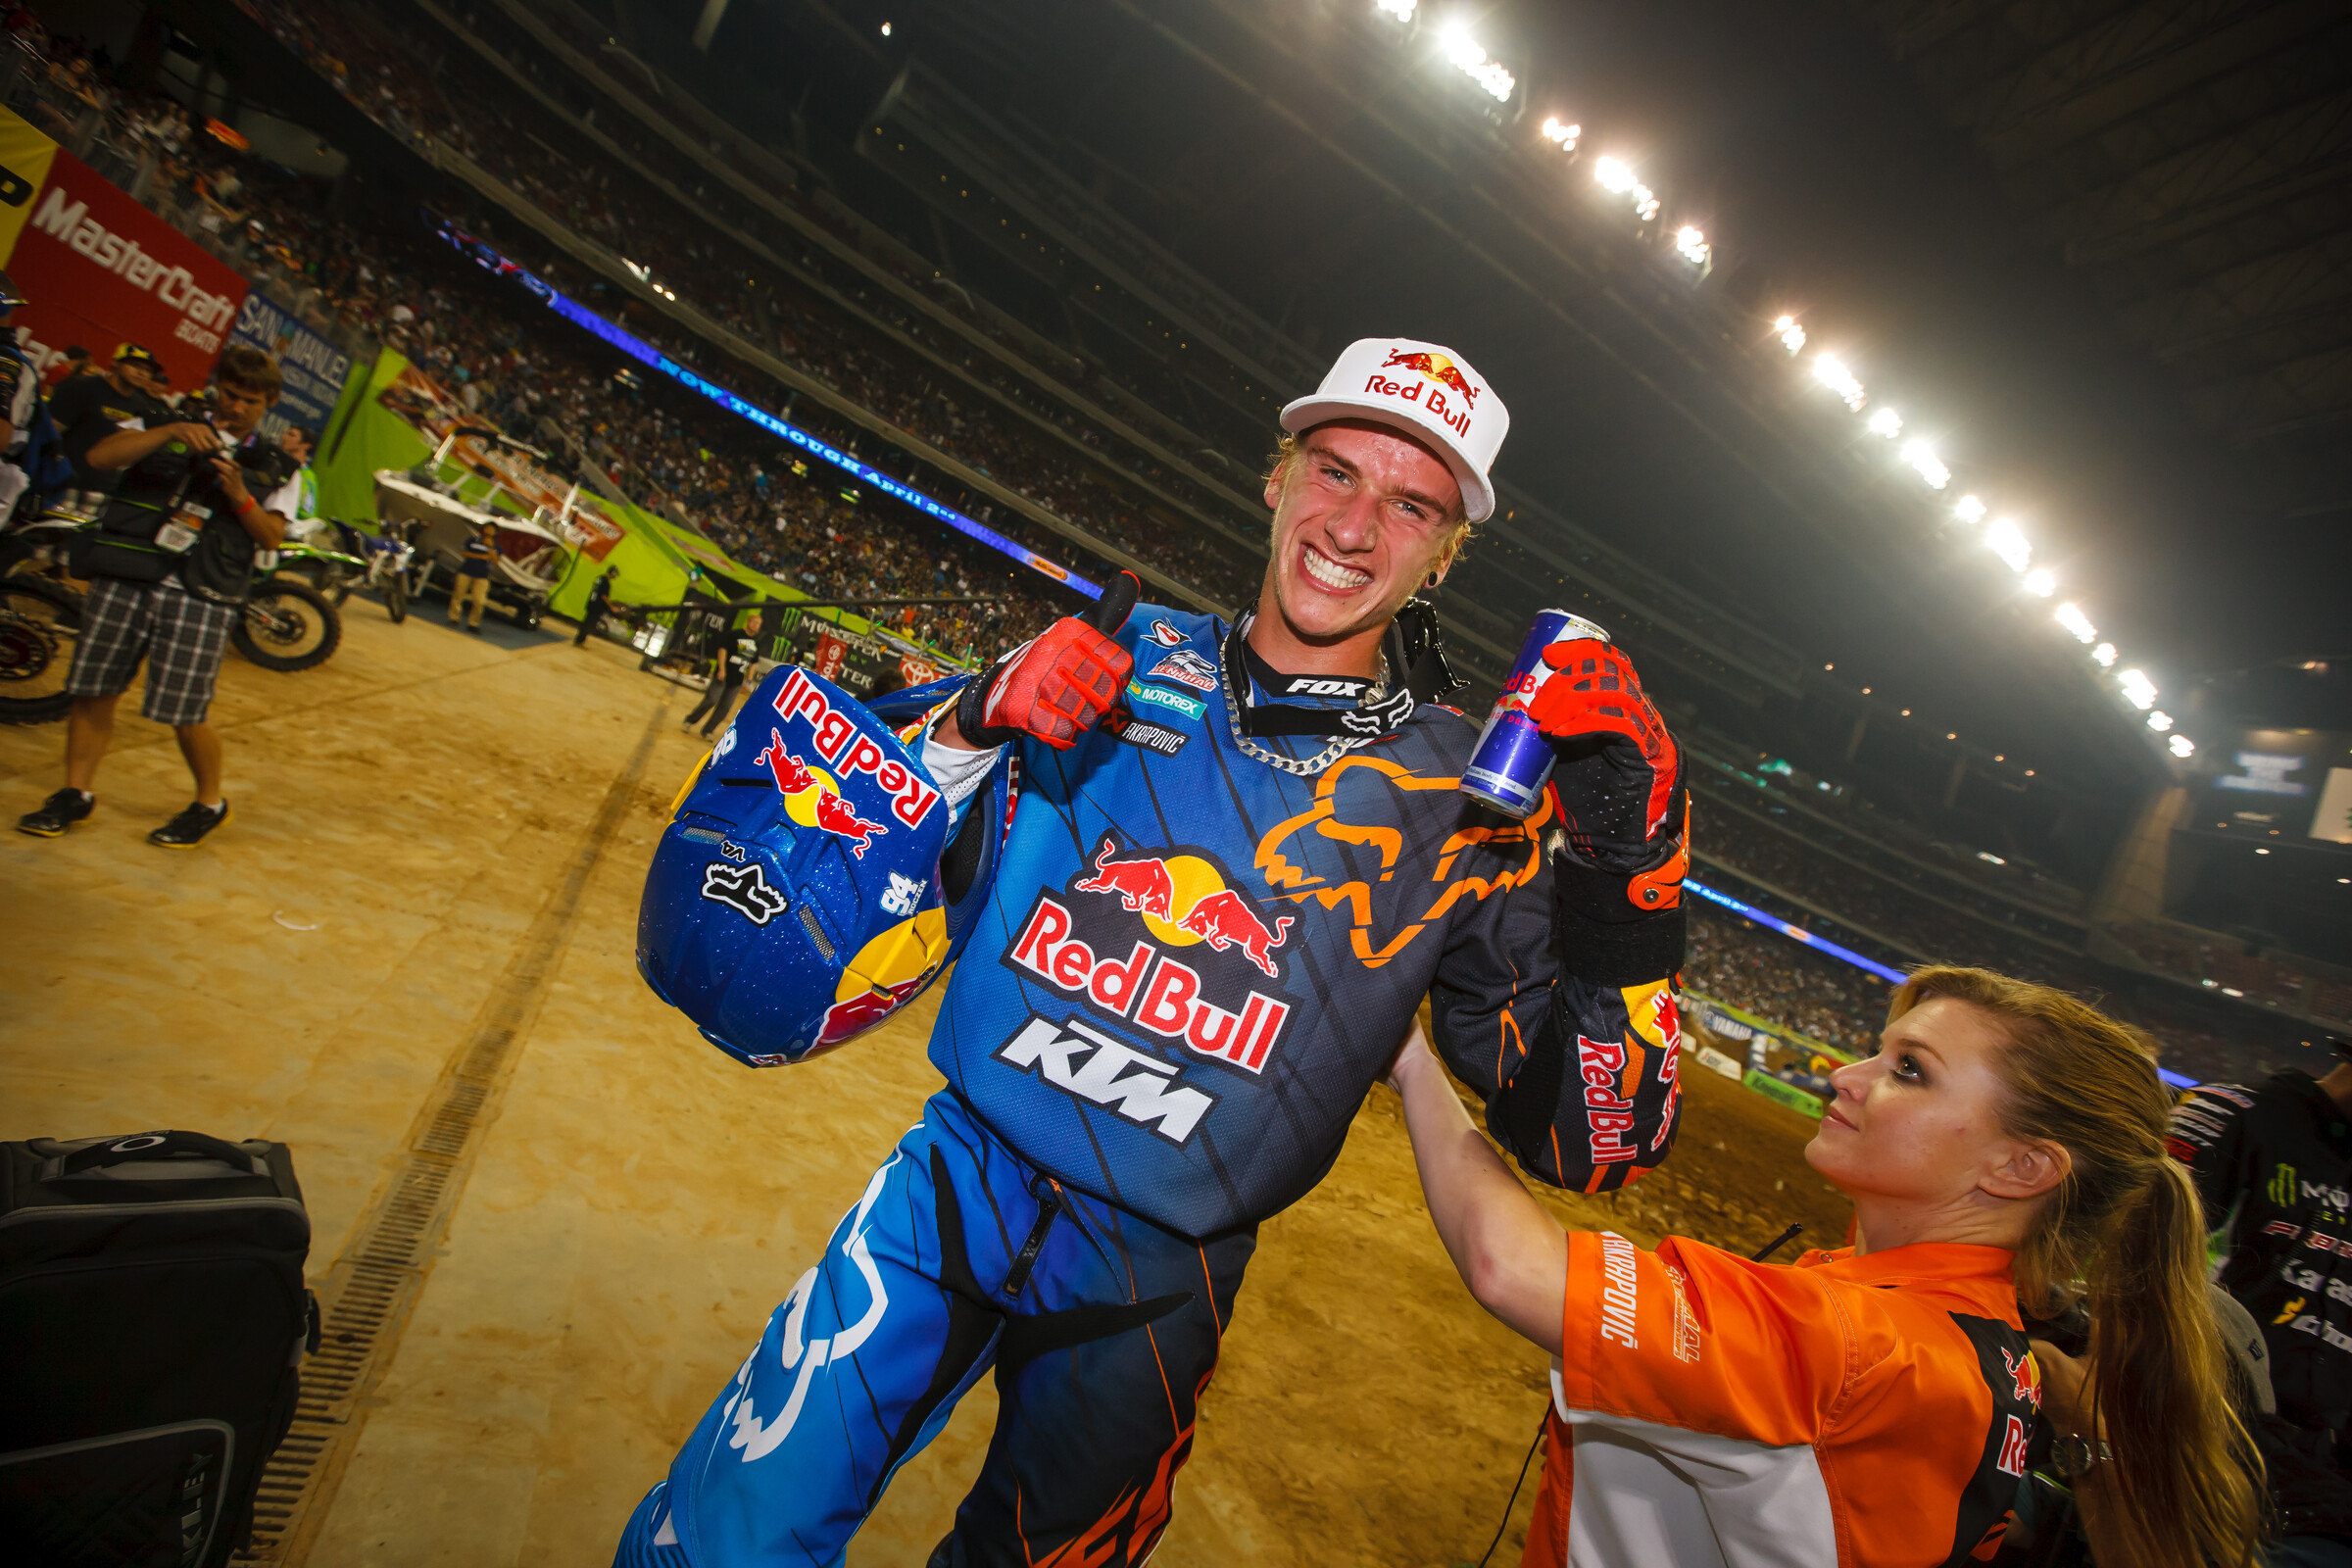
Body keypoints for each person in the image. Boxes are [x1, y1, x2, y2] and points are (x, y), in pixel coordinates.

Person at [614, 337, 1691, 1567]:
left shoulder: (1464, 800)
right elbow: (869, 879)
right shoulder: (1120, 656)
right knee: (711, 1541)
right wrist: (975, 717)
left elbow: (1592, 1136)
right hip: (949, 1183)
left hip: (1156, 1288)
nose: (1355, 523)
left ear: (1446, 551)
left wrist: (1634, 857)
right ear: (1274, 479)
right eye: (1335, 471)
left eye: (1410, 504)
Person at [1387, 962, 2262, 1568]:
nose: (1847, 1075)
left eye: (1910, 1072)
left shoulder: (1863, 1345)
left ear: (2020, 1169)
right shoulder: (1967, 1337)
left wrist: (1406, 1051)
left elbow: (1511, 1265)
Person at [18, 345, 293, 848]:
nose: (235, 407)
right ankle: (74, 793)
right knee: (95, 689)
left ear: (268, 403)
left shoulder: (276, 465)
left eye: (249, 401)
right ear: (216, 386)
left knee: (186, 712)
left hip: (204, 592)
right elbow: (99, 457)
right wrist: (167, 432)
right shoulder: (162, 421)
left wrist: (240, 495)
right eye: (230, 394)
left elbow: (271, 537)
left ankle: (210, 803)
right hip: (128, 571)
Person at [49, 343, 169, 494]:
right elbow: (49, 432)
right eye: (135, 365)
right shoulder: (81, 387)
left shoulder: (142, 406)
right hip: (58, 480)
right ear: (115, 363)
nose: (142, 373)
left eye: (148, 370)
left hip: (99, 490)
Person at [680, 622, 754, 739]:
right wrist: (722, 669)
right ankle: (690, 720)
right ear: (749, 621)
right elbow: (722, 650)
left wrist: (748, 681)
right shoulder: (735, 634)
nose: (755, 625)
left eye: (758, 624)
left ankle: (708, 731)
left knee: (725, 707)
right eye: (754, 622)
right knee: (711, 700)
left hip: (736, 681)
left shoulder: (755, 644)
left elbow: (753, 663)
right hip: (724, 676)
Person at [448, 518, 495, 632]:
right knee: (458, 595)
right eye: (487, 528)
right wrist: (478, 556)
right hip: (466, 572)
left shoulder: (495, 546)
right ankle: (454, 617)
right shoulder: (472, 540)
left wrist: (490, 547)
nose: (489, 531)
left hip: (482, 576)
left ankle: (473, 623)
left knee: (479, 600)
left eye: (491, 530)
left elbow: (495, 560)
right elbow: (463, 552)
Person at [575, 564, 617, 646]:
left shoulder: (599, 578)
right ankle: (580, 641)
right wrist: (611, 607)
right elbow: (604, 596)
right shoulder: (606, 582)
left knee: (586, 622)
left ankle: (579, 639)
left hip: (591, 603)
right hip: (597, 607)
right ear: (612, 573)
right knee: (589, 624)